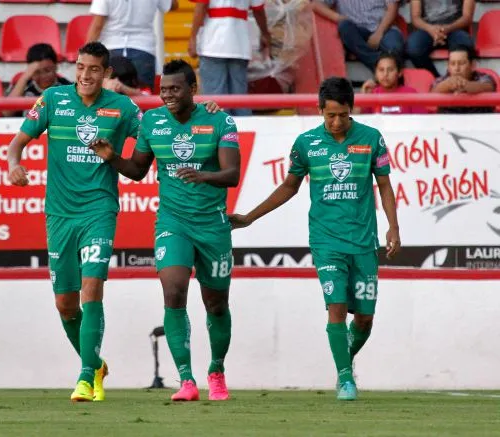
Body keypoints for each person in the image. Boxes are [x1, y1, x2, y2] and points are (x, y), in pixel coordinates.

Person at [6, 42, 220, 402]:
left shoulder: (122, 108)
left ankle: (87, 377)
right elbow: (17, 142)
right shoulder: (53, 100)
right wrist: (14, 163)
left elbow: (160, 123)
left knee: (91, 288)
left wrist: (204, 111)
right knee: (64, 304)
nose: (85, 75)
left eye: (93, 69)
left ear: (106, 74)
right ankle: (95, 363)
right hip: (59, 213)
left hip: (99, 210)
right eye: (80, 67)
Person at [230, 77, 401, 401]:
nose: (336, 122)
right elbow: (289, 187)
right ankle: (346, 379)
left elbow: (385, 186)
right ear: (320, 111)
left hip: (364, 241)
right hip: (326, 242)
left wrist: (393, 227)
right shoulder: (306, 144)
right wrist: (250, 217)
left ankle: (344, 361)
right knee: (336, 307)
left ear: (351, 110)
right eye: (330, 115)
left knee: (364, 318)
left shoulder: (371, 139)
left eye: (342, 115)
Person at [89, 59, 240, 402]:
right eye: (163, 89)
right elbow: (139, 170)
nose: (168, 95)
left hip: (213, 226)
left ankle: (216, 370)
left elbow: (231, 174)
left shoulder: (220, 120)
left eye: (175, 89)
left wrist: (203, 175)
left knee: (216, 304)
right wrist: (112, 156)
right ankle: (186, 380)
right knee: (173, 292)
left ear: (193, 90)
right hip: (172, 223)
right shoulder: (153, 122)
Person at [189, 0, 272, 116]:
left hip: (213, 45)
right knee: (239, 100)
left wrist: (193, 37)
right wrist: (265, 33)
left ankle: (220, 133)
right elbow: (258, 10)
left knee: (214, 102)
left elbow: (201, 5)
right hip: (239, 45)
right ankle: (242, 131)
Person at [87, 0, 177, 88]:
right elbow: (173, 5)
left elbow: (97, 26)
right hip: (144, 49)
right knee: (143, 97)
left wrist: (86, 54)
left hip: (111, 49)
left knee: (107, 98)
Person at [313, 0, 404, 73]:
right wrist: (337, 17)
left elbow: (392, 9)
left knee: (395, 47)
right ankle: (378, 64)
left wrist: (378, 34)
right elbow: (316, 4)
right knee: (344, 27)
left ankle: (362, 55)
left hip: (383, 28)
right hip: (356, 30)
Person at [406, 0, 475, 78]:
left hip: (455, 28)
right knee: (413, 48)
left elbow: (467, 17)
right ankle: (437, 80)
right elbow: (415, 18)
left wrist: (446, 29)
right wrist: (431, 29)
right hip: (427, 29)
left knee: (465, 45)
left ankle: (456, 80)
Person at [3, 43, 72, 117]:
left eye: (47, 70)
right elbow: (6, 113)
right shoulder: (21, 86)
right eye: (37, 72)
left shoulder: (67, 87)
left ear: (56, 66)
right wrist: (25, 77)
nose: (43, 76)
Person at [431, 44, 495, 114]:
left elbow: (489, 87)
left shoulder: (484, 77)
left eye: (461, 63)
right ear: (448, 66)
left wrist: (466, 85)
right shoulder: (441, 80)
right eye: (452, 64)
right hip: (447, 122)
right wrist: (448, 85)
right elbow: (432, 93)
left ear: (472, 65)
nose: (456, 68)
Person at [360, 53, 427, 114]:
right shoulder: (371, 94)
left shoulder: (411, 93)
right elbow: (357, 121)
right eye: (381, 70)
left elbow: (422, 122)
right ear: (375, 73)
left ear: (399, 72)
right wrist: (363, 96)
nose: (385, 74)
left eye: (390, 70)